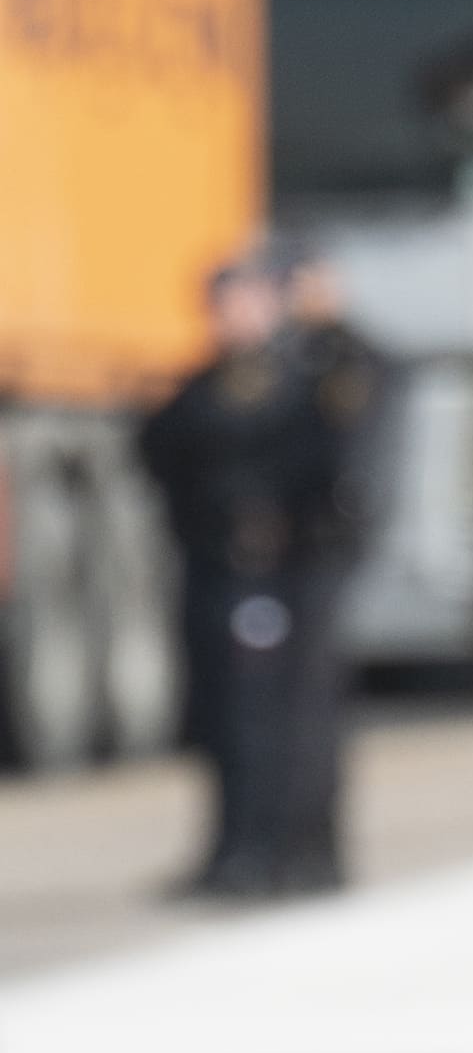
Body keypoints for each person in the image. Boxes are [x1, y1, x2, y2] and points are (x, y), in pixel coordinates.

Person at [139, 254, 386, 899]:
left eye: (245, 302)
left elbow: (353, 424)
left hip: (297, 569)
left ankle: (300, 853)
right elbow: (162, 455)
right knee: (228, 718)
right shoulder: (204, 387)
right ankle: (241, 850)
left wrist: (333, 325)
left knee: (298, 721)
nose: (231, 318)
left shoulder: (312, 372)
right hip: (224, 567)